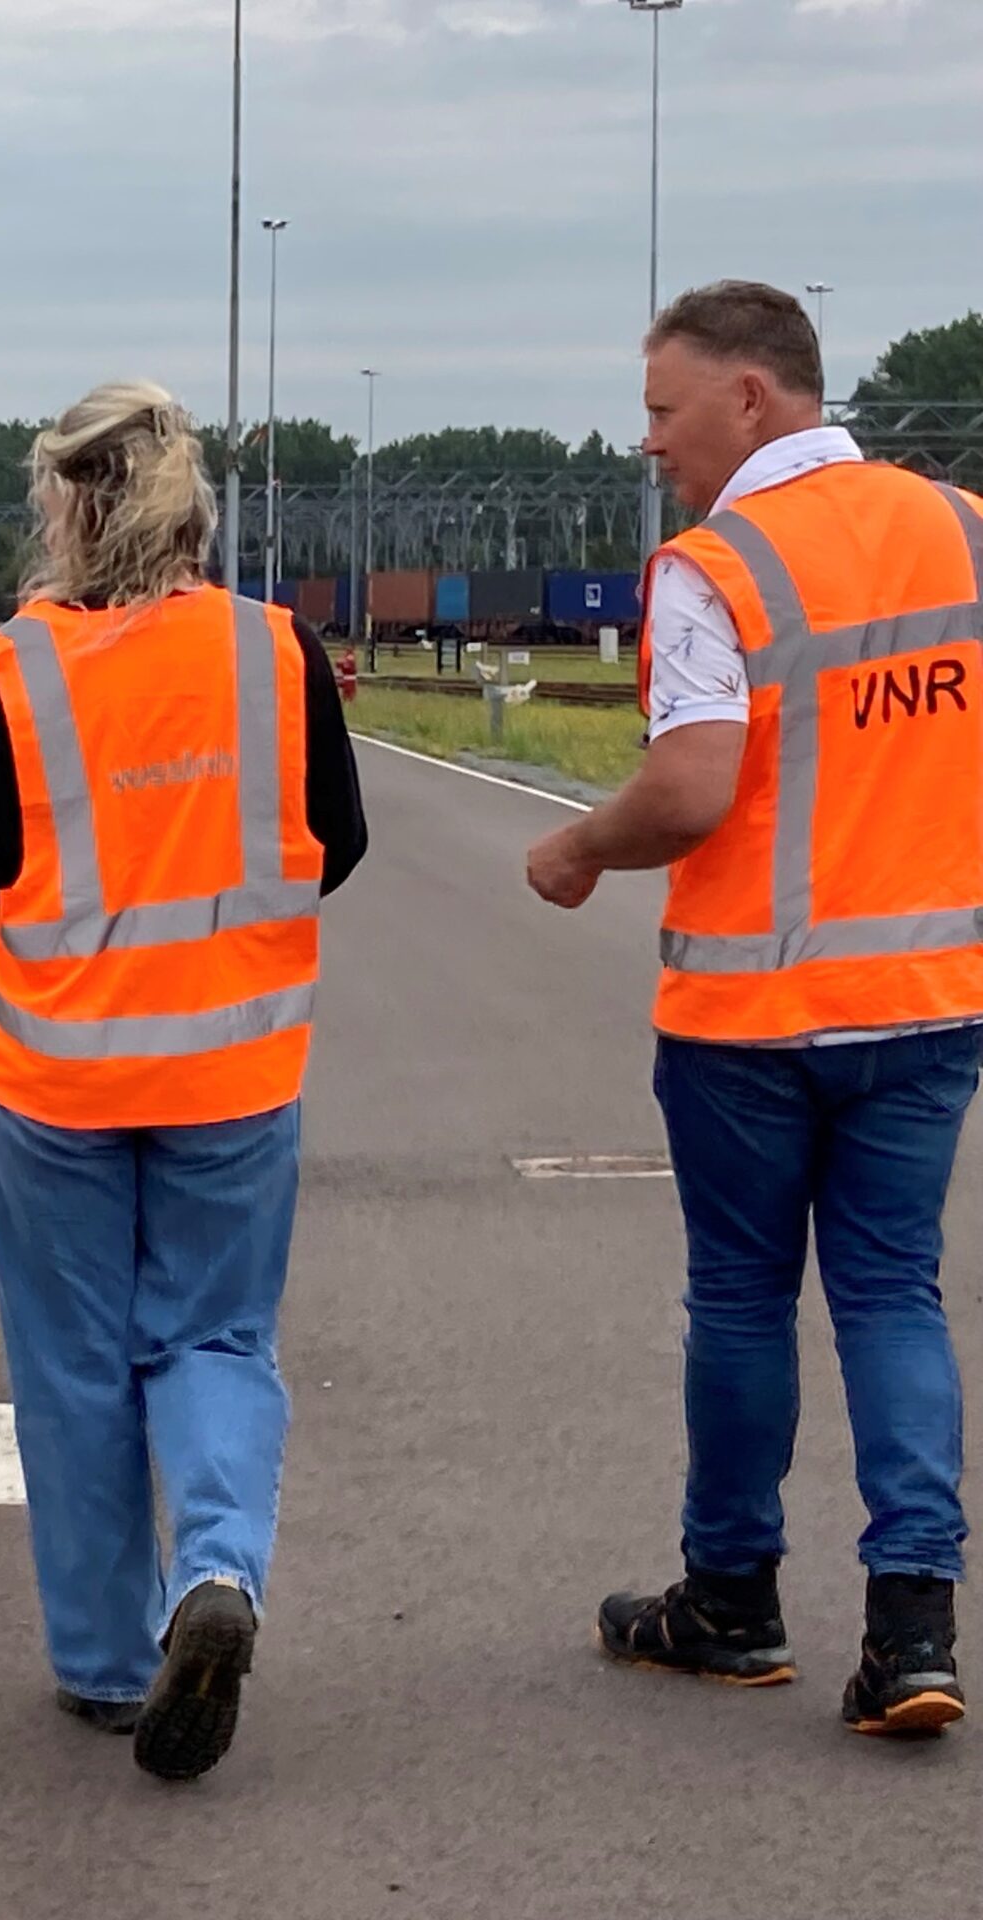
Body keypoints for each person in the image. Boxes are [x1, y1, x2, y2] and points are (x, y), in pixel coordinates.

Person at [527, 279, 983, 1738]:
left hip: (752, 1024)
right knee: (893, 1294)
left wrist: (581, 845)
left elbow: (695, 787)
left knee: (740, 1299)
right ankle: (915, 1632)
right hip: (927, 1001)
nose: (649, 441)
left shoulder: (716, 566)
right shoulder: (964, 531)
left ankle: (731, 1602)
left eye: (664, 410)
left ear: (750, 396)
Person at [0, 381, 367, 1780]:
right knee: (217, 1339)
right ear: (195, 506)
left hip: (57, 1077)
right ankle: (218, 1573)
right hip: (235, 1070)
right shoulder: (277, 652)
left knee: (74, 1371)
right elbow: (338, 841)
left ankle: (110, 1666)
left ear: (66, 505)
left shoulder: (21, 667)